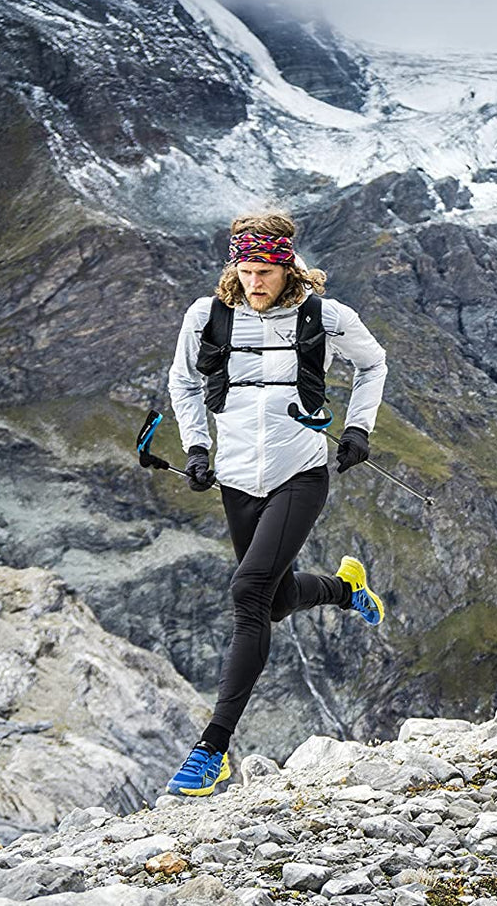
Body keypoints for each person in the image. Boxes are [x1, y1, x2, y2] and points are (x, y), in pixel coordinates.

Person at [164, 210, 388, 797]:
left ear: (287, 267)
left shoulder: (326, 316)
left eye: (265, 270)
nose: (253, 281)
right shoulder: (206, 316)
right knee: (278, 599)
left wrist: (360, 428)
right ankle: (346, 590)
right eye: (244, 268)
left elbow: (373, 364)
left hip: (300, 473)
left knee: (248, 592)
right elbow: (183, 383)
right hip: (237, 478)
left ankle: (213, 749)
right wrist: (194, 447)